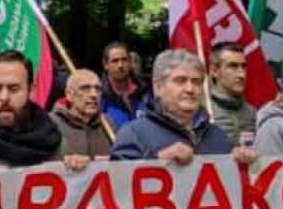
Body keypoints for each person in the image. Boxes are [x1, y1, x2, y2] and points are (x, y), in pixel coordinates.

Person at [0, 50, 92, 176]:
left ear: (31, 90)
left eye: (13, 89)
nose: (4, 98)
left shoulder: (58, 147)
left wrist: (80, 173)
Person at [110, 51, 263, 164]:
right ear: (158, 87)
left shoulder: (217, 135)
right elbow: (116, 189)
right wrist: (158, 160)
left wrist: (238, 161)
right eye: (180, 80)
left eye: (196, 82)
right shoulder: (133, 134)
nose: (190, 89)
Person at [51, 69, 114, 158]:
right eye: (85, 88)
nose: (94, 94)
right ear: (69, 94)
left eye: (98, 89)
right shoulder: (50, 124)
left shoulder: (109, 124)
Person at [206, 41, 257, 144]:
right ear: (214, 71)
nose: (241, 74)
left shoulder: (252, 113)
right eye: (233, 66)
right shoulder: (201, 110)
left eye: (244, 66)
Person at [98, 41, 150, 127]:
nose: (120, 65)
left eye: (124, 60)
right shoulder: (99, 96)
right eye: (115, 61)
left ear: (130, 63)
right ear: (105, 65)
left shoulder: (145, 91)